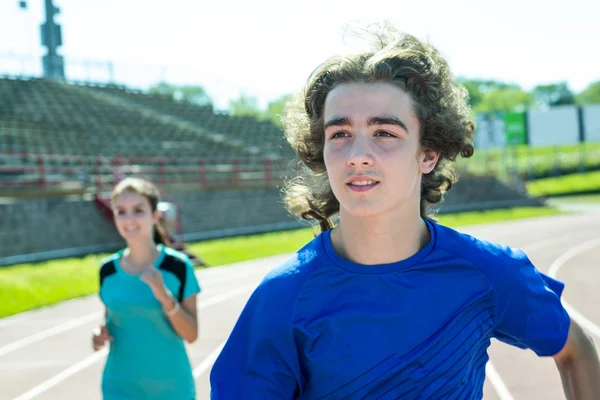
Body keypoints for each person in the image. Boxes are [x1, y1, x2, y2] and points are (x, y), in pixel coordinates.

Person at [209, 23, 600, 399]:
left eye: (385, 133)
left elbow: (577, 349)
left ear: (427, 154)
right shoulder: (284, 297)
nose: (358, 156)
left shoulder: (487, 272)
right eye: (340, 134)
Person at [92, 177, 201, 400]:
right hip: (119, 387)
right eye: (121, 211)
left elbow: (191, 334)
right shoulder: (107, 270)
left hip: (171, 389)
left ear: (155, 215)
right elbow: (110, 319)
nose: (129, 219)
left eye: (138, 210)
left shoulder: (178, 266)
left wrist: (165, 298)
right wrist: (98, 335)